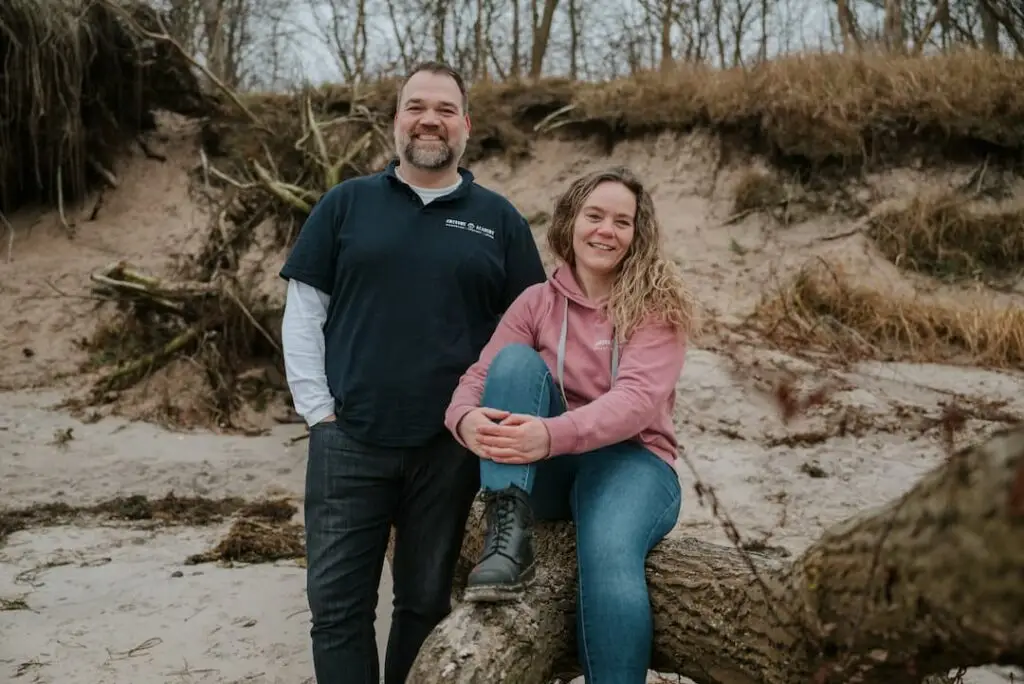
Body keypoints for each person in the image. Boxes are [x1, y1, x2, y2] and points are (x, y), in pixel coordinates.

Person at [278, 61, 547, 684]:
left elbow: (531, 331)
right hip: (349, 441)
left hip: (447, 449)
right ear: (396, 120)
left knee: (425, 604)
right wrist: (319, 412)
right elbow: (303, 312)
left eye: (446, 109)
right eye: (417, 106)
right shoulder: (346, 205)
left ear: (466, 126)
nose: (431, 119)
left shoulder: (499, 220)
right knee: (337, 609)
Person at [444, 166, 697, 683]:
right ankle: (506, 540)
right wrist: (462, 417)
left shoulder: (656, 305)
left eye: (622, 222)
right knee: (515, 365)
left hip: (635, 463)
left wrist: (550, 435)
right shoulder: (536, 301)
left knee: (606, 552)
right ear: (571, 222)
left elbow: (636, 402)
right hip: (552, 468)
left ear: (637, 235)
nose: (606, 230)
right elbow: (483, 373)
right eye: (595, 216)